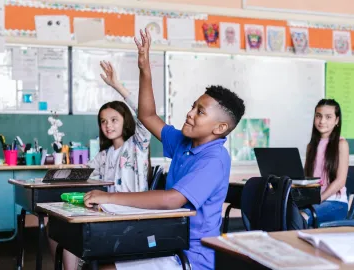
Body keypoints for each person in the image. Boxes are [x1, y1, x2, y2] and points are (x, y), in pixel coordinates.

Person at [83, 28, 246, 270]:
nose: (189, 113)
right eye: (193, 106)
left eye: (200, 112)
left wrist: (108, 197)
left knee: (108, 269)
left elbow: (172, 200)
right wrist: (144, 68)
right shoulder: (183, 141)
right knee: (100, 256)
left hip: (191, 256)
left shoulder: (215, 159)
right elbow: (148, 115)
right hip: (167, 239)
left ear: (220, 127)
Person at [49, 61, 151, 270]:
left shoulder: (137, 145)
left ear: (126, 121)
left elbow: (145, 115)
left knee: (71, 228)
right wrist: (56, 173)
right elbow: (83, 171)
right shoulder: (105, 155)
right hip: (109, 211)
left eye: (114, 119)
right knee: (55, 226)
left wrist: (117, 85)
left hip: (131, 214)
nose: (108, 125)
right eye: (103, 121)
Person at [301, 99, 349, 226]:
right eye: (318, 116)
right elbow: (306, 178)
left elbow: (340, 181)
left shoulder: (341, 144)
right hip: (314, 202)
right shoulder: (311, 146)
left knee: (303, 216)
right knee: (282, 212)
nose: (322, 121)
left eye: (328, 117)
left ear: (337, 120)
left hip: (336, 203)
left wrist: (319, 199)